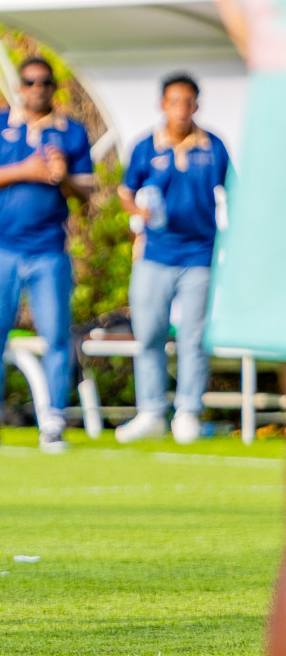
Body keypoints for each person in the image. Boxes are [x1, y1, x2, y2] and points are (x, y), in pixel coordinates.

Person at [84, 0, 286, 656]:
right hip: (161, 251)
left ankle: (183, 419)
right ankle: (162, 415)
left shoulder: (210, 141)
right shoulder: (161, 150)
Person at [0, 58, 94, 454]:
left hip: (49, 250)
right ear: (20, 87)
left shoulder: (71, 132)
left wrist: (61, 176)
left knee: (55, 337)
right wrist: (27, 170)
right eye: (30, 82)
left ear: (53, 88)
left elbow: (85, 195)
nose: (37, 89)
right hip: (3, 248)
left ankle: (52, 422)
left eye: (45, 82)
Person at [114, 73, 231, 445]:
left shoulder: (213, 146)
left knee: (193, 338)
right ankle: (150, 410)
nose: (181, 109)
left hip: (198, 254)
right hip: (154, 255)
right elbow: (126, 191)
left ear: (196, 105)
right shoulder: (146, 147)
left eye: (188, 102)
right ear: (162, 105)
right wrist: (140, 212)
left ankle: (188, 412)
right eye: (174, 102)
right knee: (149, 333)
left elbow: (231, 193)